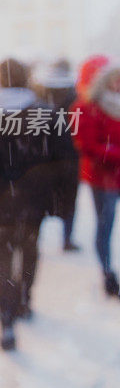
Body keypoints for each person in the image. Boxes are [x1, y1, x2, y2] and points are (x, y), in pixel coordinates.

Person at [0, 58, 60, 351]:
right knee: (29, 249)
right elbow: (59, 162)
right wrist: (58, 201)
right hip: (33, 201)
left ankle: (6, 320)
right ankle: (25, 297)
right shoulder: (46, 113)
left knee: (2, 258)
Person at [72, 55, 120, 298]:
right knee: (106, 226)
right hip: (104, 179)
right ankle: (108, 273)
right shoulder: (85, 107)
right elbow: (88, 146)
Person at [32, 59, 81, 252]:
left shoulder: (40, 92)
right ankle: (67, 239)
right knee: (69, 199)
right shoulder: (74, 93)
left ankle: (36, 237)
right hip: (68, 153)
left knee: (41, 198)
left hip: (44, 155)